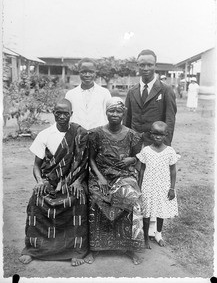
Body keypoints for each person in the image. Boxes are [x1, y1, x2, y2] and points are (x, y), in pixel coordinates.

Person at [19, 99, 89, 266]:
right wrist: (40, 181)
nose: (62, 116)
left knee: (78, 200)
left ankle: (75, 250)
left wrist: (78, 181)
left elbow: (84, 164)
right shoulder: (45, 134)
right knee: (36, 200)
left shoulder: (80, 133)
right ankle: (34, 249)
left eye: (66, 113)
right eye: (58, 113)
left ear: (71, 114)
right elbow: (36, 165)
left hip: (73, 181)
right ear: (54, 113)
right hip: (50, 181)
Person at [85, 97, 144, 265]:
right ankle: (95, 248)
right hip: (101, 176)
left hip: (123, 176)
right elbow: (91, 159)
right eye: (111, 110)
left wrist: (131, 160)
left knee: (133, 198)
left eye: (118, 111)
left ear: (123, 113)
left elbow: (138, 158)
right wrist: (100, 177)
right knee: (95, 198)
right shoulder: (95, 134)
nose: (115, 114)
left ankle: (131, 247)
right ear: (106, 113)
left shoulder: (133, 135)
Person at [136, 121, 178, 249]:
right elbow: (142, 169)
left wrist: (172, 188)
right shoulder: (146, 150)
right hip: (148, 185)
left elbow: (173, 170)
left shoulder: (170, 151)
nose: (158, 137)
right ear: (150, 135)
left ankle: (158, 234)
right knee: (147, 212)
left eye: (161, 135)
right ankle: (145, 238)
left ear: (166, 135)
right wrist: (139, 186)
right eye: (155, 134)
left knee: (161, 211)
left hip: (163, 186)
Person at [124, 49, 177, 146]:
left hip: (156, 145)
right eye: (142, 65)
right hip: (135, 145)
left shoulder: (166, 90)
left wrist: (164, 147)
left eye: (150, 65)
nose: (145, 68)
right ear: (137, 66)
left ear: (155, 65)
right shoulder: (131, 92)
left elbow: (170, 121)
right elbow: (127, 121)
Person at [65, 58, 111, 130]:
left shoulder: (105, 93)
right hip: (77, 135)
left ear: (95, 73)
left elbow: (109, 115)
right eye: (83, 72)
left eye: (91, 72)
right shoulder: (70, 94)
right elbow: (67, 117)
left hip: (99, 135)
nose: (87, 75)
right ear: (79, 72)